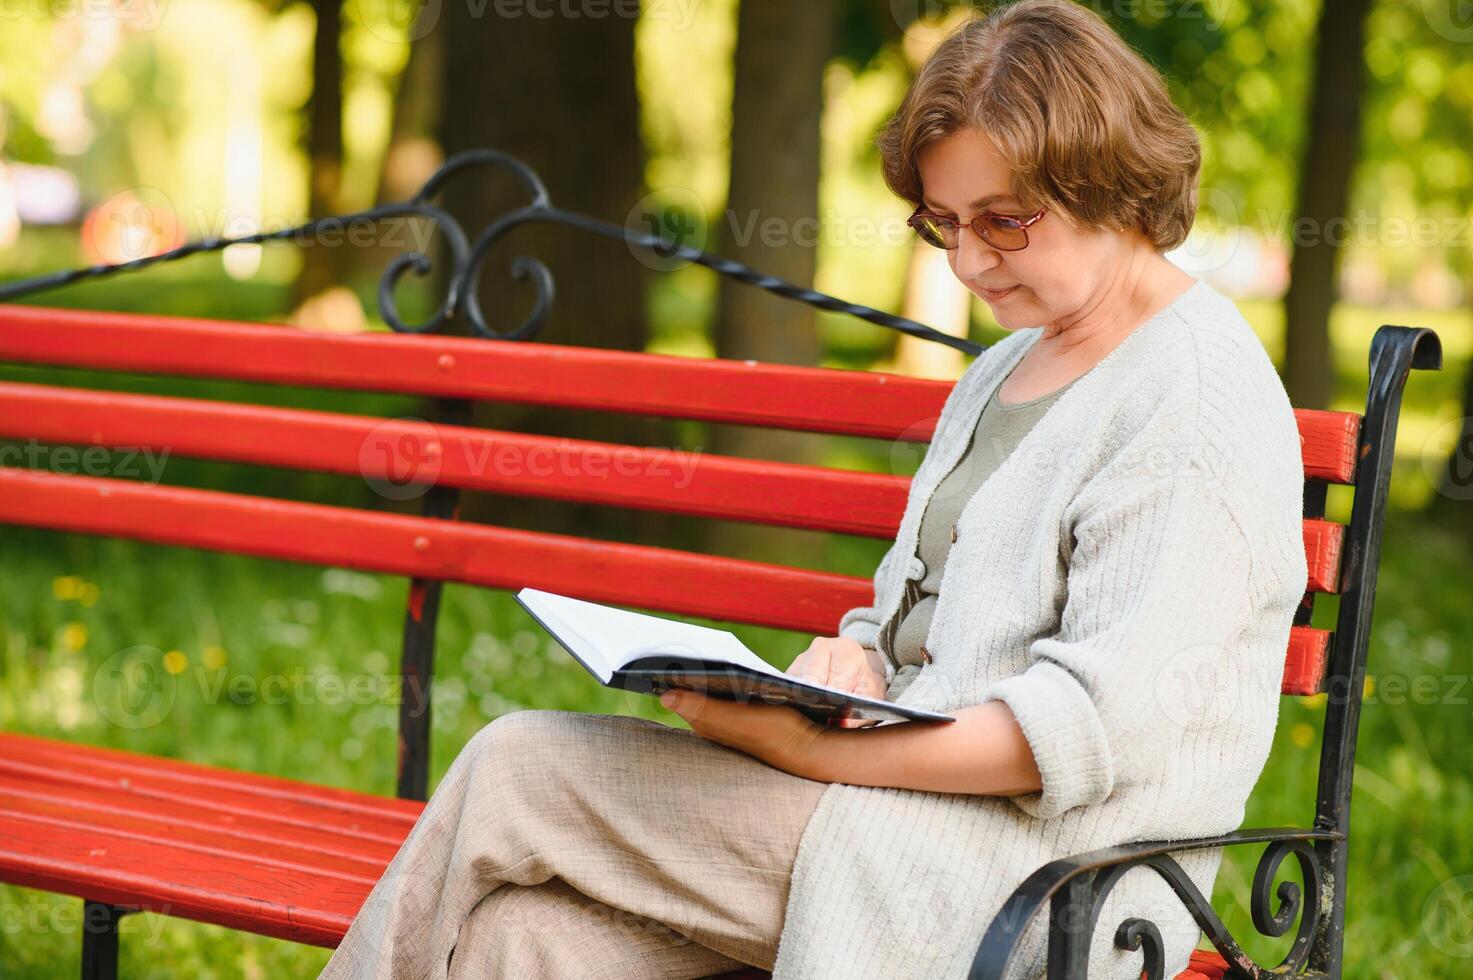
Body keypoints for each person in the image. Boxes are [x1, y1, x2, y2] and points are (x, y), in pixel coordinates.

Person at [320, 1, 1307, 977]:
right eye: (944, 225)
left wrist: (814, 751)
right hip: (891, 816)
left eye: (1004, 222)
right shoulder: (1004, 371)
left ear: (1111, 180)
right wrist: (851, 666)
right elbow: (916, 623)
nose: (968, 261)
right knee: (524, 946)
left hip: (1047, 880)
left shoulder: (1192, 396)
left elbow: (1087, 731)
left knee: (516, 770)